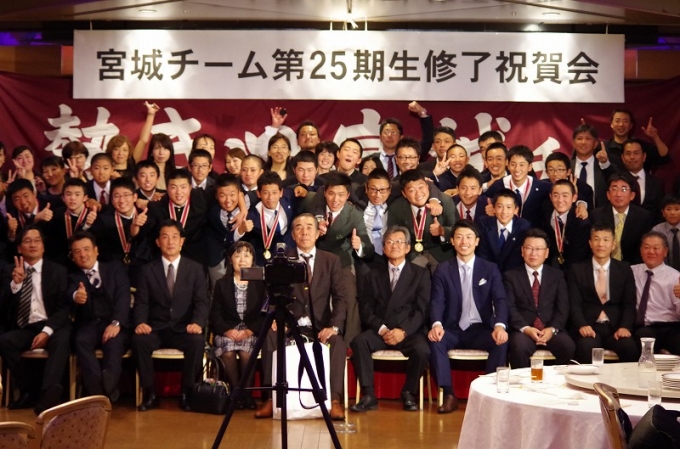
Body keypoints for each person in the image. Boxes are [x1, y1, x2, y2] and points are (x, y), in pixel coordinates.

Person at [256, 213, 348, 421]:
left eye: (309, 227)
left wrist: (334, 326)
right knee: (270, 336)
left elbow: (340, 298)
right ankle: (271, 398)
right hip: (290, 324)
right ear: (293, 235)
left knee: (337, 342)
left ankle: (334, 400)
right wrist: (277, 319)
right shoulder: (282, 260)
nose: (304, 232)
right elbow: (271, 294)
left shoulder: (331, 260)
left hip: (320, 326)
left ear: (317, 233)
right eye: (299, 227)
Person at [428, 220, 508, 413]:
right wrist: (436, 324)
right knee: (435, 340)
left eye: (469, 237)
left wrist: (500, 325)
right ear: (452, 241)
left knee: (500, 341)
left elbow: (500, 299)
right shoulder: (443, 269)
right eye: (459, 237)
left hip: (481, 328)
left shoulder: (489, 268)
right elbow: (437, 300)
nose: (464, 242)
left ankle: (488, 396)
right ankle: (449, 395)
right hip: (452, 328)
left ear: (477, 241)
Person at [351, 225, 430, 412]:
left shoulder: (420, 274)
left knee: (423, 350)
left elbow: (422, 309)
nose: (394, 246)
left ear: (408, 247)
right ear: (383, 248)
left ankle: (409, 392)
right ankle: (369, 395)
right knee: (359, 342)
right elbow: (366, 308)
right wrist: (383, 329)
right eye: (389, 242)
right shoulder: (372, 275)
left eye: (399, 242)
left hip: (407, 332)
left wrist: (403, 331)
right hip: (382, 330)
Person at [132, 220, 208, 411]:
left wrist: (197, 322)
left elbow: (202, 301)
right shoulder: (147, 270)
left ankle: (187, 393)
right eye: (165, 237)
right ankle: (150, 394)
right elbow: (141, 302)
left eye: (175, 237)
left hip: (183, 328)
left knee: (197, 342)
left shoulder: (195, 269)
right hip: (156, 328)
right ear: (158, 242)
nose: (170, 241)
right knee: (139, 341)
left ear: (182, 241)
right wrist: (140, 322)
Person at [0, 226, 70, 414]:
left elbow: (64, 308)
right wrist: (15, 285)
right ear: (19, 248)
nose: (33, 244)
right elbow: (3, 306)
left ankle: (48, 395)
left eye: (37, 240)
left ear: (43, 247)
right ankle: (30, 390)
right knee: (5, 341)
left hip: (51, 325)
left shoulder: (58, 271)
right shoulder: (9, 271)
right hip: (25, 327)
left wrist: (46, 331)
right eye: (27, 241)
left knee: (62, 338)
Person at [301, 172, 374, 343]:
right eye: (331, 194)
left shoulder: (354, 214)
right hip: (315, 259)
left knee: (350, 297)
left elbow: (368, 246)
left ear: (348, 195)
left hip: (342, 261)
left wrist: (360, 245)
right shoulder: (313, 204)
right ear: (324, 193)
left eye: (341, 195)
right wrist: (315, 231)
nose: (335, 199)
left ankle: (349, 343)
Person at [68, 231, 130, 402]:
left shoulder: (115, 268)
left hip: (114, 322)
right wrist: (76, 296)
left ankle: (108, 387)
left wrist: (116, 323)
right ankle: (98, 393)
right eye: (77, 251)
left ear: (96, 250)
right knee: (81, 340)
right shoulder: (73, 278)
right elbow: (69, 294)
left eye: (86, 249)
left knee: (114, 342)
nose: (82, 254)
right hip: (89, 325)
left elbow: (124, 297)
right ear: (72, 257)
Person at [567, 224, 638, 363]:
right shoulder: (577, 270)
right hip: (589, 326)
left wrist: (625, 326)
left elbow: (629, 303)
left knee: (629, 347)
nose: (601, 244)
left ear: (613, 244)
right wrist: (581, 325)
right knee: (585, 347)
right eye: (596, 239)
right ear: (590, 243)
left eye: (606, 239)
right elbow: (574, 304)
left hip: (615, 327)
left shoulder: (624, 269)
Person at [504, 229, 575, 368]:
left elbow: (563, 307)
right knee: (518, 346)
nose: (533, 253)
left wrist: (552, 329)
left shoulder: (557, 275)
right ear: (522, 251)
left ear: (546, 253)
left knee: (568, 346)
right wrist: (526, 329)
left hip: (550, 329)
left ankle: (556, 381)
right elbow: (510, 308)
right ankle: (522, 382)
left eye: (538, 249)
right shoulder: (510, 276)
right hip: (523, 330)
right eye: (529, 248)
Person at [210, 241, 266, 410]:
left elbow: (264, 313)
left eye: (246, 255)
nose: (242, 259)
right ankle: (236, 394)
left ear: (253, 260)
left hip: (251, 331)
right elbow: (216, 313)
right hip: (228, 330)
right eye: (237, 255)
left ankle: (247, 394)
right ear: (230, 259)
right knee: (227, 353)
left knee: (246, 353)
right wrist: (227, 330)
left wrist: (250, 330)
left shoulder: (261, 283)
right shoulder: (222, 283)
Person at [387, 169, 457, 272]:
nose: (418, 193)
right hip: (412, 254)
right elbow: (392, 233)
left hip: (440, 253)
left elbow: (457, 229)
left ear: (427, 186)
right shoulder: (396, 207)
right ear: (404, 194)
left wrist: (442, 231)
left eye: (421, 187)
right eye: (412, 190)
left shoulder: (445, 201)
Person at [631, 232, 680, 355]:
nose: (651, 252)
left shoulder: (675, 277)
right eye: (646, 247)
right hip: (644, 327)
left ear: (665, 252)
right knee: (643, 337)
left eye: (656, 248)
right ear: (641, 250)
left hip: (671, 326)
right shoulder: (631, 272)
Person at [592, 173, 653, 265]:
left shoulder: (643, 217)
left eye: (624, 189)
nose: (618, 194)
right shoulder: (596, 215)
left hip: (633, 266)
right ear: (608, 195)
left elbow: (643, 247)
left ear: (632, 195)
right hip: (602, 265)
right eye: (614, 189)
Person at [237, 172, 295, 267]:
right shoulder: (251, 216)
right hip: (265, 261)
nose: (270, 197)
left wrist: (303, 188)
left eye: (274, 192)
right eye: (265, 193)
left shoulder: (289, 200)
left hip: (291, 256)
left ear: (281, 193)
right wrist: (241, 229)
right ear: (258, 193)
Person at [485, 145, 551, 227]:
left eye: (522, 165)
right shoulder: (498, 186)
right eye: (513, 164)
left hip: (533, 233)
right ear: (508, 164)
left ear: (530, 167)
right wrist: (490, 209)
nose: (517, 169)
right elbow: (484, 202)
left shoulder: (543, 188)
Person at [539, 179, 592, 270]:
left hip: (574, 269)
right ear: (550, 197)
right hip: (549, 267)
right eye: (556, 195)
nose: (560, 200)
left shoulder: (581, 223)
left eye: (565, 195)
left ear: (574, 198)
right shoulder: (545, 210)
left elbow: (578, 257)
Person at [476, 188, 531, 273]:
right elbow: (482, 254)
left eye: (509, 207)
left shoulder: (523, 227)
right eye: (500, 206)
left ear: (516, 210)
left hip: (513, 274)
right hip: (488, 272)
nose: (504, 211)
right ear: (493, 208)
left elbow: (517, 258)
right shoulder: (483, 224)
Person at [605, 109, 670, 173]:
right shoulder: (604, 148)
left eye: (625, 121)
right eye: (617, 121)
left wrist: (655, 137)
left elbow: (664, 157)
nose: (621, 124)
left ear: (631, 125)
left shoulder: (641, 145)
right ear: (611, 124)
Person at [206, 174, 242, 289]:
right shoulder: (211, 212)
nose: (228, 200)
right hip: (217, 259)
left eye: (232, 195)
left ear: (239, 194)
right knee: (218, 292)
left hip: (242, 260)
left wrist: (243, 211)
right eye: (222, 196)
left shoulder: (249, 207)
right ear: (216, 196)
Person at [570, 124, 618, 208]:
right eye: (579, 138)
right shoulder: (567, 167)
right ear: (573, 143)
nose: (583, 142)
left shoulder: (603, 166)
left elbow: (617, 179)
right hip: (572, 214)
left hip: (599, 214)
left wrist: (605, 163)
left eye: (588, 138)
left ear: (595, 143)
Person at [621, 138, 664, 223]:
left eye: (636, 153)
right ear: (623, 158)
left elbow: (661, 212)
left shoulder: (657, 183)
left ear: (644, 156)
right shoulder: (617, 181)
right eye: (628, 153)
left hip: (652, 229)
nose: (632, 157)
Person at [652, 195, 680, 271]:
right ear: (663, 212)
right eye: (668, 209)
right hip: (663, 272)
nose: (672, 213)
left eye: (677, 209)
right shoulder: (657, 230)